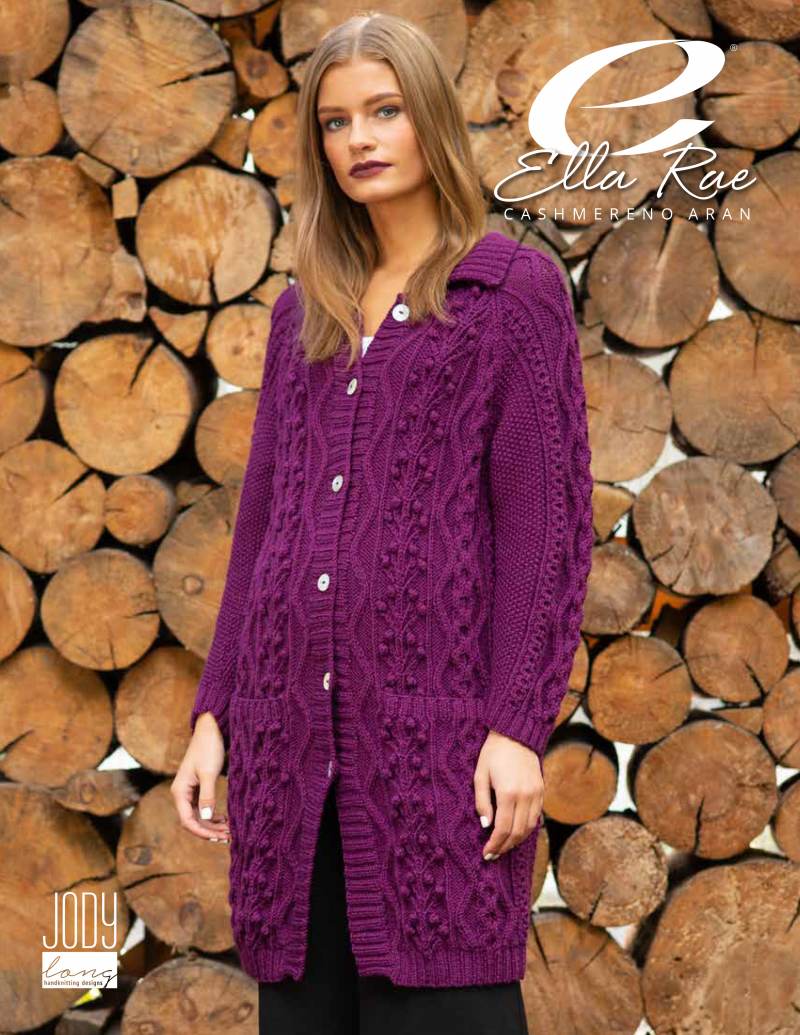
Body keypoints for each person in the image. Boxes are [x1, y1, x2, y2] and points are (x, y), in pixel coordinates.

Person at [171, 11, 594, 1035]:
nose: (358, 139)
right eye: (335, 122)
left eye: (384, 112)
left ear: (429, 121)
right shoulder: (302, 317)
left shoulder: (507, 295)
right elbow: (264, 528)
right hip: (287, 760)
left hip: (437, 757)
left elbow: (546, 533)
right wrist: (216, 711)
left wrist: (515, 726)